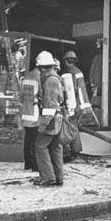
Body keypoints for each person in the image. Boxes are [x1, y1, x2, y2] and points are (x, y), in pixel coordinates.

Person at [34, 50, 64, 187]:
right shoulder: (55, 78)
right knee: (55, 147)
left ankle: (48, 177)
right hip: (57, 117)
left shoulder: (50, 80)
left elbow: (50, 105)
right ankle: (58, 178)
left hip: (51, 118)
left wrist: (43, 124)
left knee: (40, 145)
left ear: (41, 67)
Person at [62, 50, 94, 160]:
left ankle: (72, 151)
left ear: (66, 61)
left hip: (73, 104)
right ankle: (75, 150)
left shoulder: (69, 73)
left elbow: (71, 90)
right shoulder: (78, 71)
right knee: (73, 127)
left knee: (69, 127)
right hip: (81, 104)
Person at [18, 62, 41, 171]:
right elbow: (41, 96)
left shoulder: (26, 77)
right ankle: (34, 165)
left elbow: (21, 96)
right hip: (35, 114)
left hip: (26, 113)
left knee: (28, 140)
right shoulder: (39, 78)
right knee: (35, 141)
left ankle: (27, 164)